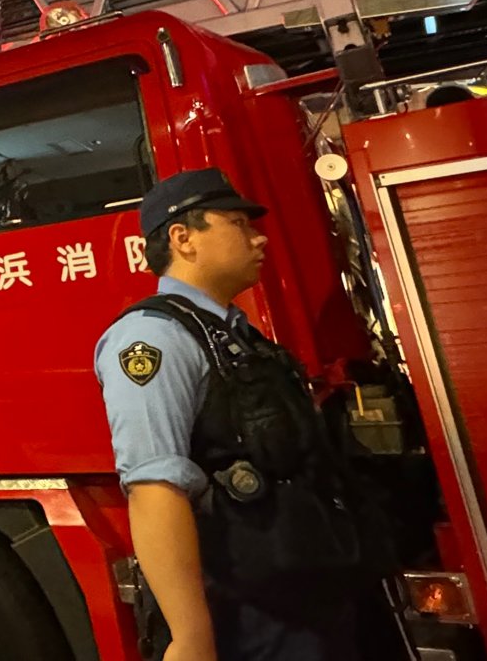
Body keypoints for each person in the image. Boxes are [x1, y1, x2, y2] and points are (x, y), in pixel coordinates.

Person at [95, 169, 384, 661]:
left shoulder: (234, 334)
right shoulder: (154, 338)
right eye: (236, 223)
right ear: (183, 238)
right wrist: (190, 637)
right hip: (248, 614)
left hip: (301, 593)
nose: (259, 238)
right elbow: (154, 488)